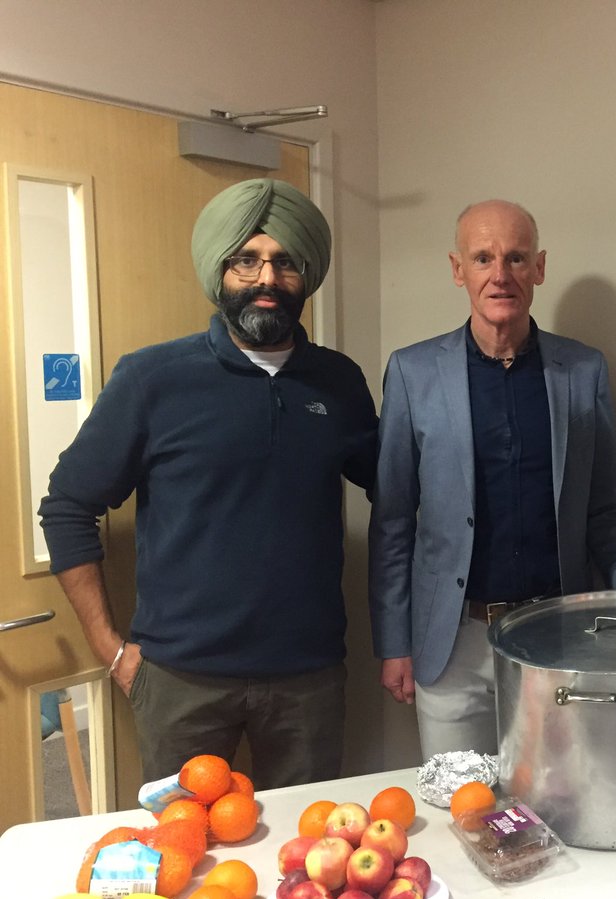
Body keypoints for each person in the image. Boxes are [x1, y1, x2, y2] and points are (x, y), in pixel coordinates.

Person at [39, 178, 378, 789]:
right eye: (246, 260)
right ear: (219, 271)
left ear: (306, 275)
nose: (266, 278)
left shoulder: (339, 382)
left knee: (308, 841)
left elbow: (397, 491)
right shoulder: (153, 379)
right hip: (180, 681)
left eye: (285, 262)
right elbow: (67, 506)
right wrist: (110, 648)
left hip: (308, 680)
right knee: (184, 845)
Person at [369, 199, 616, 760]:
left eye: (516, 258)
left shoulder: (584, 371)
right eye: (483, 258)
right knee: (461, 799)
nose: (500, 274)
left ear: (539, 267)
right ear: (458, 269)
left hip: (556, 633)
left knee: (556, 797)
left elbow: (603, 509)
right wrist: (394, 642)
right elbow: (394, 521)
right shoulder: (412, 372)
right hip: (452, 642)